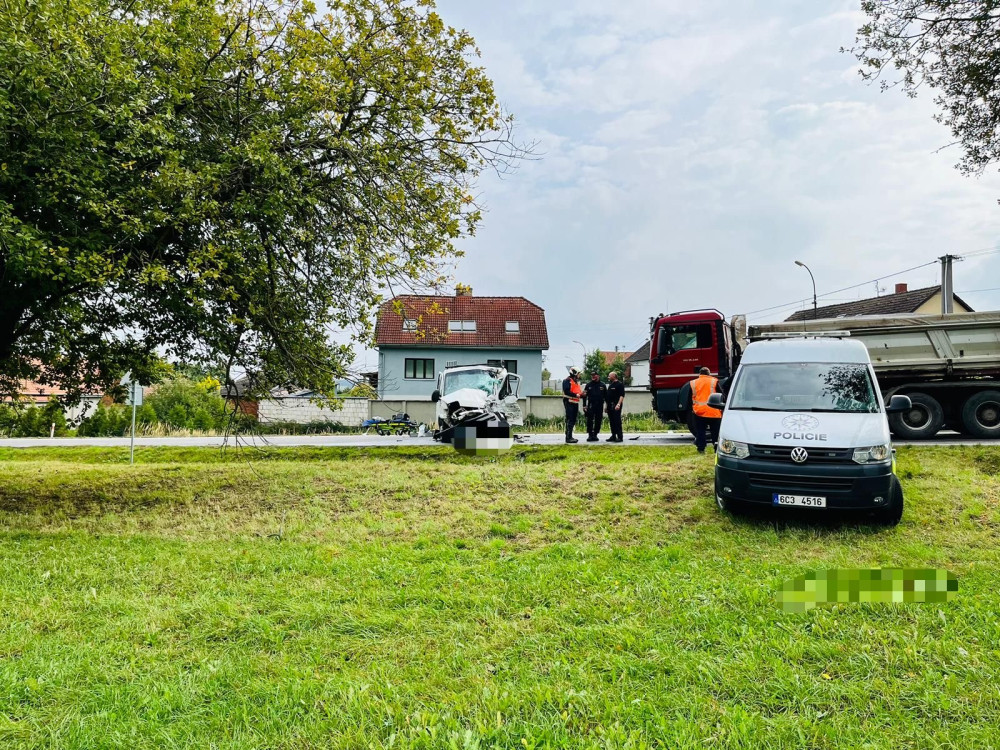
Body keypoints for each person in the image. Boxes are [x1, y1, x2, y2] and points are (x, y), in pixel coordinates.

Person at [690, 366, 722, 453]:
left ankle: (701, 448)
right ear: (709, 374)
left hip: (699, 412)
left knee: (700, 431)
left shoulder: (693, 382)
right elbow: (721, 395)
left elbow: (690, 398)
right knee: (715, 432)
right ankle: (716, 448)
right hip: (714, 411)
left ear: (700, 374)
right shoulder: (714, 381)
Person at [582, 371, 607, 442]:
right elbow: (584, 396)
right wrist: (584, 405)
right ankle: (590, 435)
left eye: (594, 375)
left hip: (599, 405)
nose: (593, 376)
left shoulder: (603, 385)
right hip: (591, 405)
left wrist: (606, 406)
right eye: (592, 375)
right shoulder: (588, 385)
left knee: (598, 420)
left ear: (598, 376)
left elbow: (606, 397)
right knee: (590, 420)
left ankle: (595, 434)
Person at [562, 367, 583, 443]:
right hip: (569, 402)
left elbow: (577, 391)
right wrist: (576, 395)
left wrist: (581, 394)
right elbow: (567, 391)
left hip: (574, 402)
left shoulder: (575, 381)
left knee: (573, 419)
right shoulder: (567, 381)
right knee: (570, 419)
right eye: (578, 373)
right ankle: (568, 437)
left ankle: (570, 436)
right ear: (574, 373)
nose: (579, 375)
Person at [605, 371, 625, 442]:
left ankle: (620, 437)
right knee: (612, 421)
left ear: (614, 376)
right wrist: (606, 406)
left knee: (617, 421)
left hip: (616, 405)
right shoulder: (610, 385)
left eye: (609, 376)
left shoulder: (620, 384)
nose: (608, 377)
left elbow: (621, 395)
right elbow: (608, 397)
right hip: (610, 405)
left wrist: (618, 404)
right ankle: (613, 436)